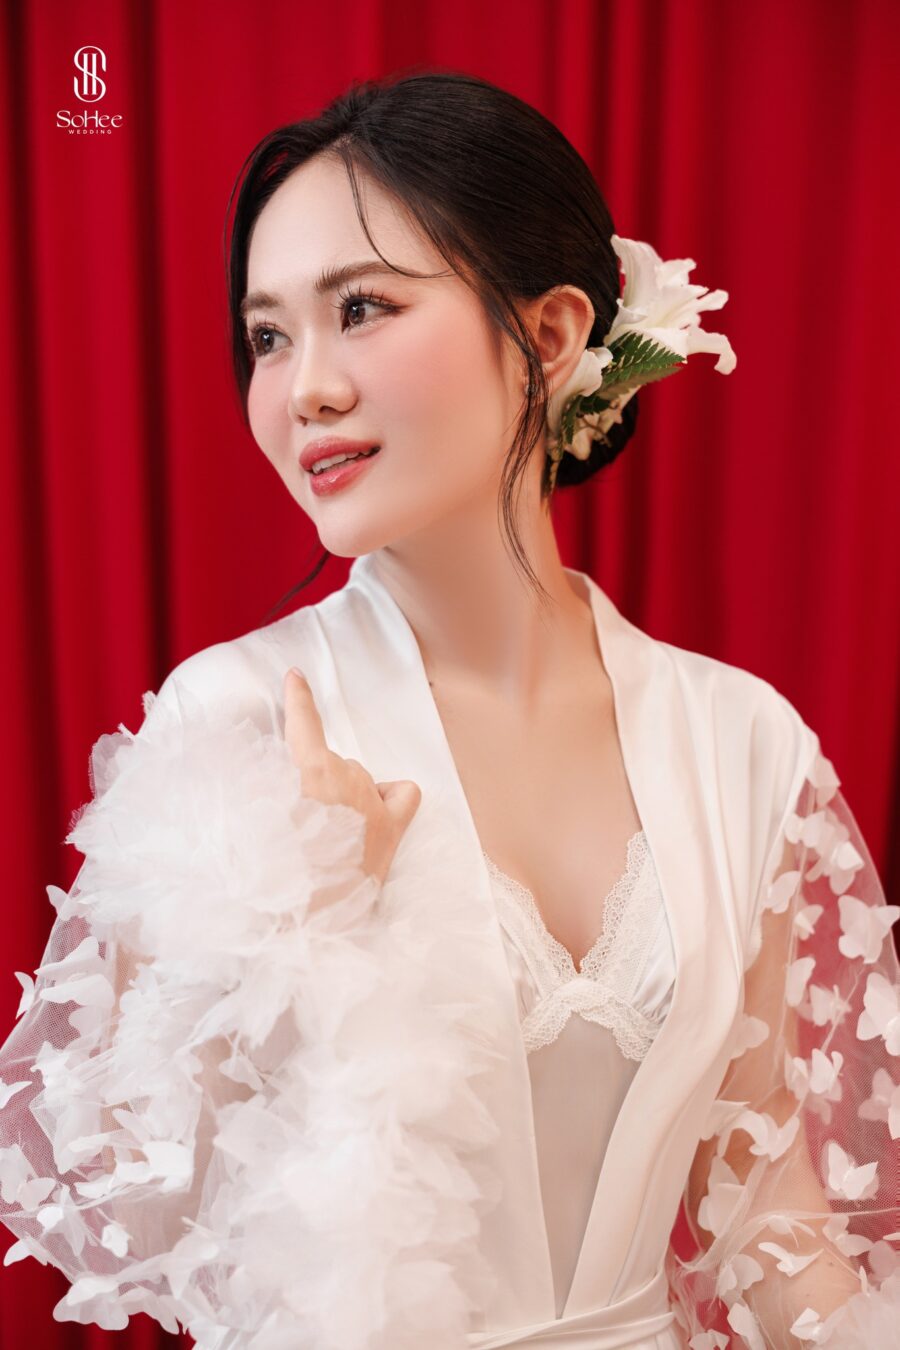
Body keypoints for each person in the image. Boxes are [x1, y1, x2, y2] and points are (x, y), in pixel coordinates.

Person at [1, 70, 898, 1350]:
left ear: (551, 334)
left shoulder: (740, 740)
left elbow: (768, 1214)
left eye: (360, 309)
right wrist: (288, 921)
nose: (303, 389)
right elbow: (123, 1194)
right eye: (267, 337)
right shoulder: (236, 723)